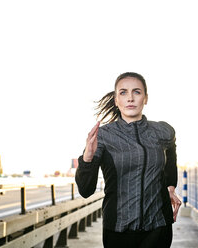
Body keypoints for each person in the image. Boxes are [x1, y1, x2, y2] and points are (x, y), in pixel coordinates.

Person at [75, 72, 181, 248]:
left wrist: (170, 186)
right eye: (123, 93)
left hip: (158, 227)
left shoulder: (162, 131)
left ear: (145, 98)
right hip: (118, 230)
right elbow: (85, 190)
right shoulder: (103, 136)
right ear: (116, 100)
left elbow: (171, 152)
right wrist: (87, 158)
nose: (130, 98)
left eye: (137, 92)